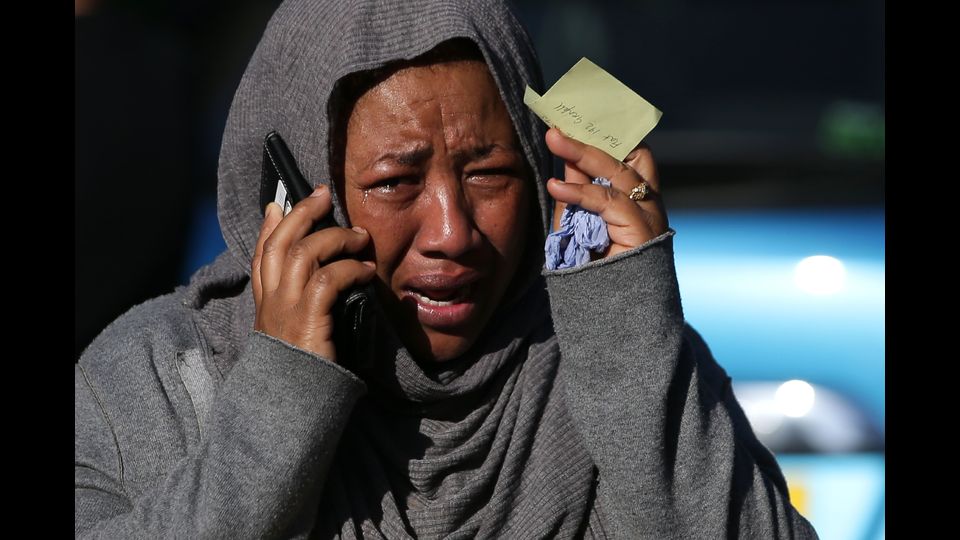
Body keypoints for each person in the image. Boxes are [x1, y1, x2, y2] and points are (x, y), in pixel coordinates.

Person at [74, 0, 818, 538]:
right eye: (396, 183)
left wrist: (629, 339)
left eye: (490, 174)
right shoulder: (157, 379)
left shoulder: (621, 360)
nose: (454, 233)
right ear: (292, 193)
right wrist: (278, 398)